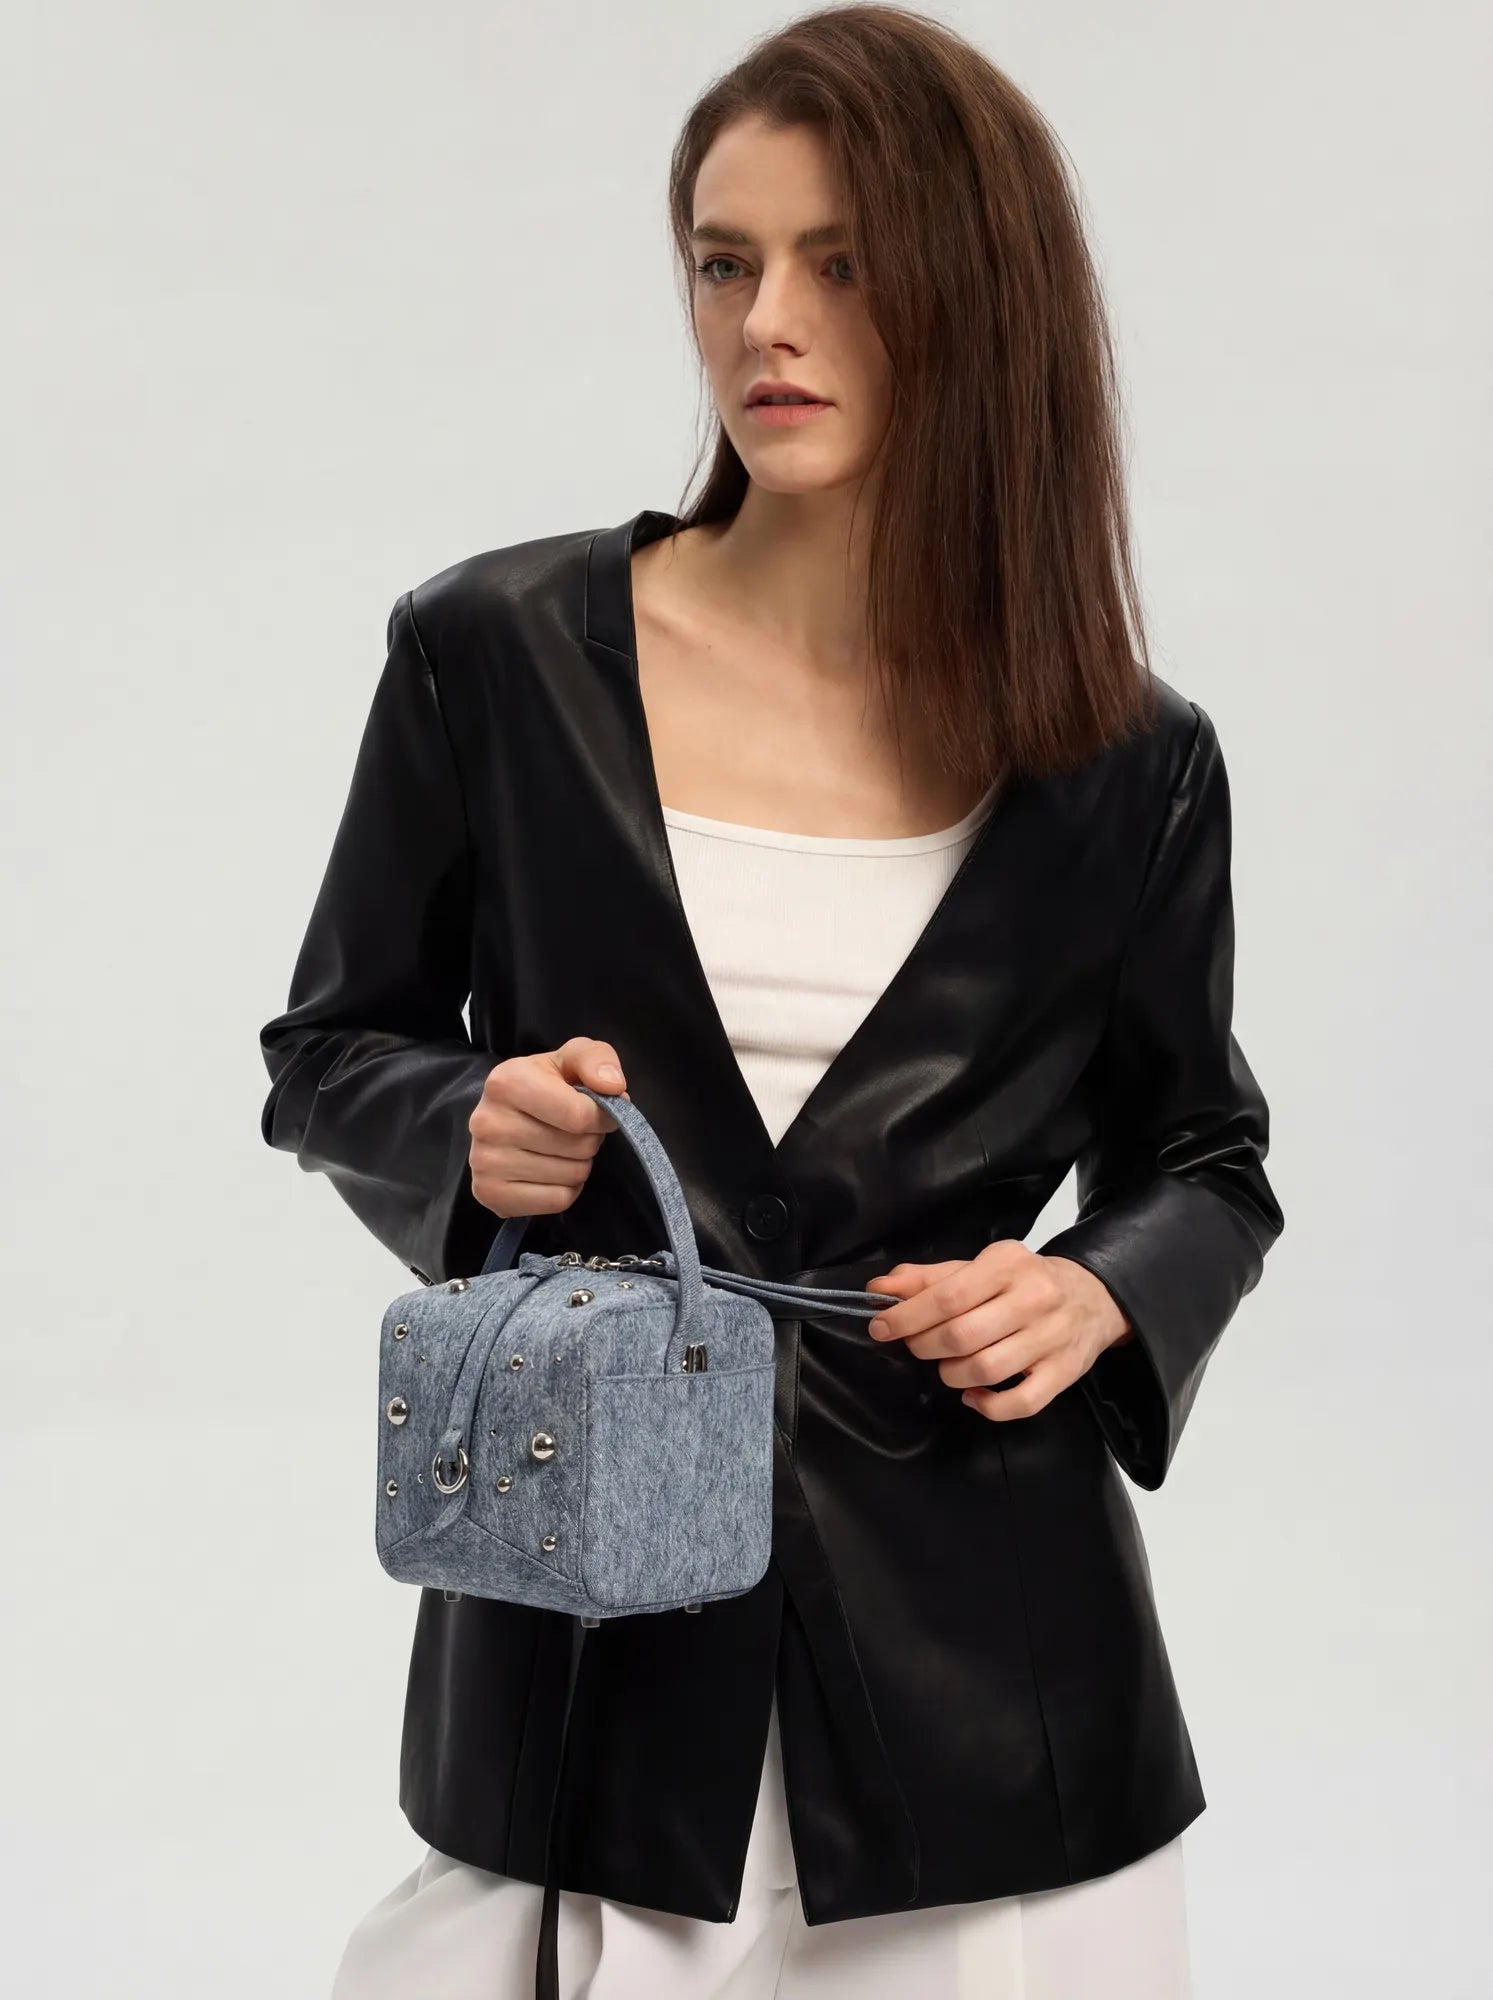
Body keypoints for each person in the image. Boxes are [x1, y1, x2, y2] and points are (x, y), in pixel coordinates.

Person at [257, 6, 1284, 1996]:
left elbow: (1204, 1154)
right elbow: (328, 1054)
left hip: (995, 1720)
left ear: (977, 294)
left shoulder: (1130, 764)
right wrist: (465, 1127)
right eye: (725, 262)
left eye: (842, 263)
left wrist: (1097, 1290)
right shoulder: (494, 657)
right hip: (584, 1652)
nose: (766, 324)